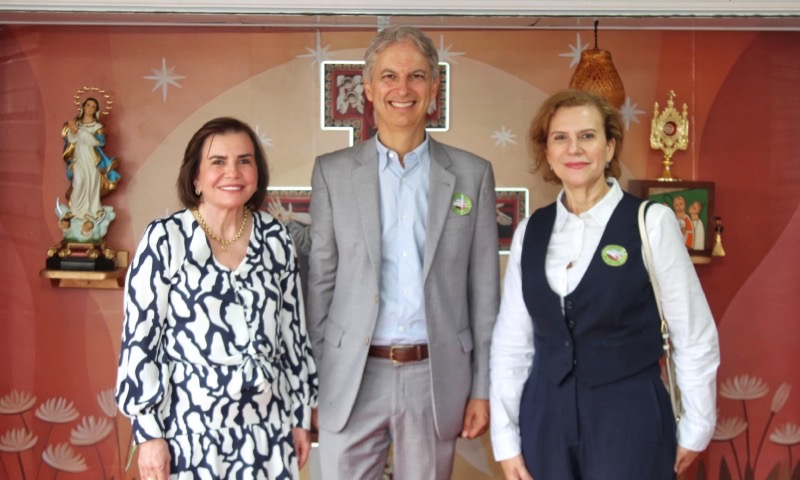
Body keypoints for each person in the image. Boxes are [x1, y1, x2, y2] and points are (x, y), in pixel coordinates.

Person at [489, 89, 720, 480]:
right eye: (560, 138)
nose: (573, 148)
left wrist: (698, 425)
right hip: (545, 416)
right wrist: (506, 439)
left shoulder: (652, 223)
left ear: (610, 147)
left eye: (588, 136)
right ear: (547, 152)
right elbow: (513, 343)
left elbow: (693, 334)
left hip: (628, 414)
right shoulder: (531, 230)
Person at [307, 25, 499, 480]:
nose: (402, 88)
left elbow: (485, 291)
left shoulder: (472, 175)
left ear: (434, 88)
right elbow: (320, 284)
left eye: (416, 76)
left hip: (434, 376)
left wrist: (483, 388)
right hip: (350, 376)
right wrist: (312, 384)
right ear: (369, 88)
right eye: (389, 76)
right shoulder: (332, 173)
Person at [115, 117, 317, 480]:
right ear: (195, 177)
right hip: (188, 434)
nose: (233, 172)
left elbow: (293, 334)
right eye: (218, 162)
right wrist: (148, 434)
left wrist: (299, 416)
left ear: (257, 171)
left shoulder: (275, 239)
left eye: (244, 160)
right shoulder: (166, 240)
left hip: (267, 432)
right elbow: (139, 342)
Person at [61, 97, 121, 223]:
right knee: (79, 181)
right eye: (88, 105)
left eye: (93, 107)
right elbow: (71, 140)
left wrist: (78, 131)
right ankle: (75, 212)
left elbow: (98, 142)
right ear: (83, 107)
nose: (90, 108)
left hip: (92, 159)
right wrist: (73, 131)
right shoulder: (75, 123)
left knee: (92, 185)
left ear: (96, 110)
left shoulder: (97, 126)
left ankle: (93, 211)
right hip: (78, 158)